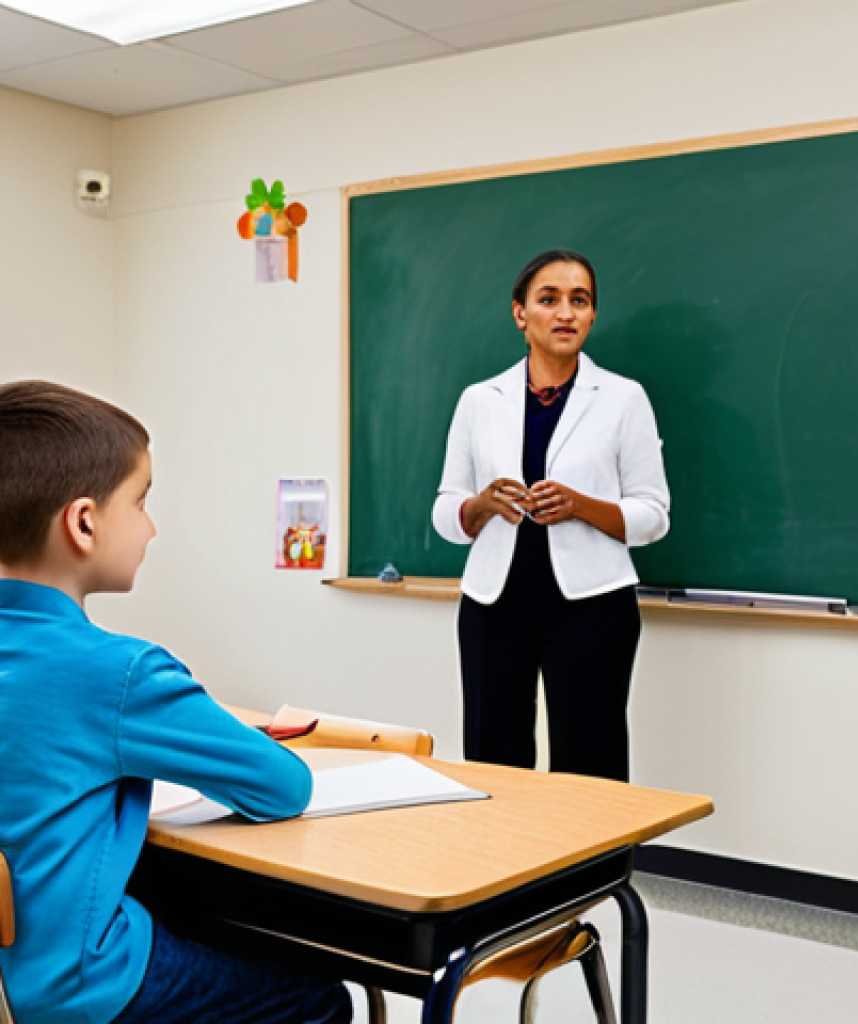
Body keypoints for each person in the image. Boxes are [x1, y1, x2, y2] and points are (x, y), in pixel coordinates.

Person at [0, 381, 351, 1024]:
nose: (152, 526)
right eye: (142, 501)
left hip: (8, 983)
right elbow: (282, 786)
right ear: (84, 523)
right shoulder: (125, 674)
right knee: (318, 995)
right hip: (77, 985)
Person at [432, 250, 670, 782]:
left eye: (579, 301)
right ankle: (504, 866)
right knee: (494, 761)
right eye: (549, 299)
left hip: (592, 607)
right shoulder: (479, 400)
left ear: (592, 316)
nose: (566, 313)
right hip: (494, 604)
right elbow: (447, 512)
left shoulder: (623, 398)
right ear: (520, 313)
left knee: (591, 762)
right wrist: (481, 504)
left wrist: (579, 505)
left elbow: (654, 515)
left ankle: (597, 870)